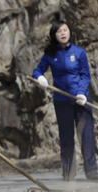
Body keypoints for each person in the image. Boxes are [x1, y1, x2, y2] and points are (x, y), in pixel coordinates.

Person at [32, 20, 98, 181]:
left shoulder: (79, 52)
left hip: (81, 100)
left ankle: (92, 171)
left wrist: (82, 93)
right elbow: (36, 71)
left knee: (87, 136)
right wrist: (40, 78)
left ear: (69, 32)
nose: (63, 33)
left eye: (65, 30)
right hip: (61, 101)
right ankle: (68, 172)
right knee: (67, 138)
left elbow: (85, 75)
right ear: (54, 35)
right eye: (59, 31)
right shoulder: (50, 54)